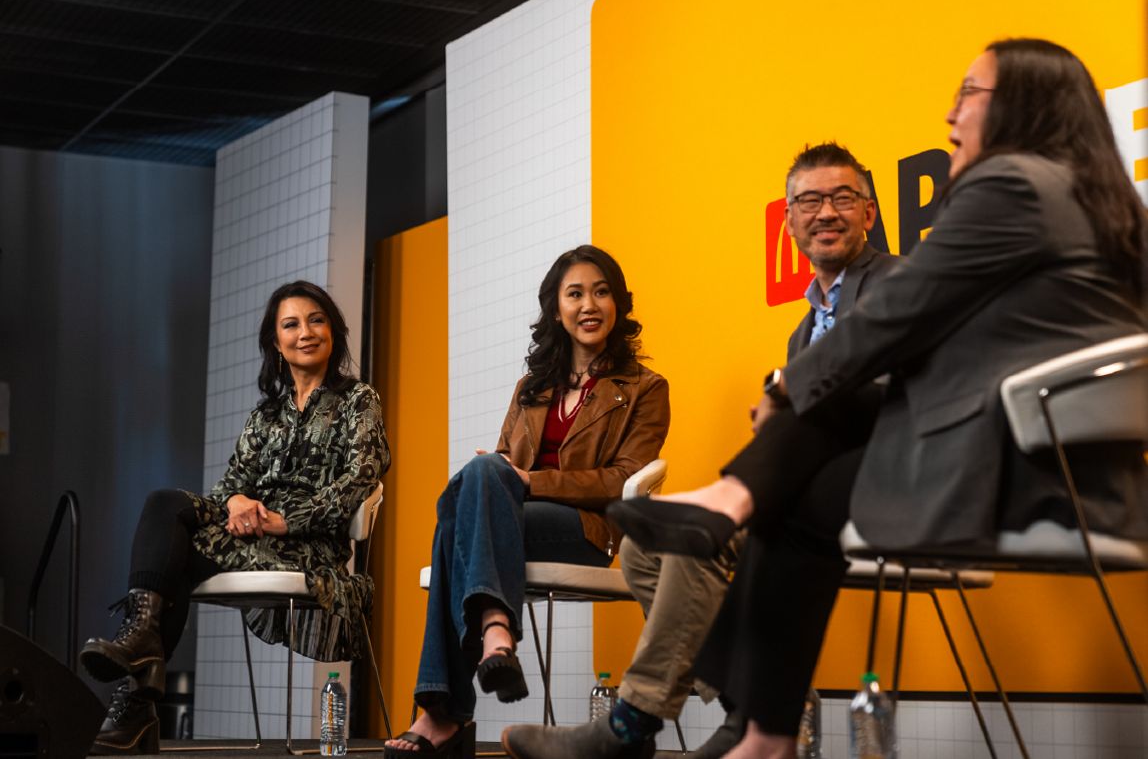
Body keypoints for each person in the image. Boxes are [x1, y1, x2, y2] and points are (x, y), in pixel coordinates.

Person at [609, 38, 1148, 759]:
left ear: (1021, 104)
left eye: (969, 92)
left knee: (809, 442)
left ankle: (737, 526)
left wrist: (782, 388)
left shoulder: (1013, 185)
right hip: (1071, 472)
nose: (951, 110)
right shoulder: (1083, 194)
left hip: (1024, 478)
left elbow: (898, 320)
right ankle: (764, 727)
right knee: (798, 491)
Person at [501, 143, 898, 759]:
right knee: (643, 550)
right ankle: (748, 712)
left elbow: (888, 391)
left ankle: (634, 725)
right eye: (808, 201)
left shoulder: (895, 285)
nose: (826, 212)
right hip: (810, 491)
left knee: (695, 532)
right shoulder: (804, 327)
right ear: (787, 221)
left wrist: (792, 402)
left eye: (842, 197)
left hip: (876, 483)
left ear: (868, 213)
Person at [79, 280, 390, 755]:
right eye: (291, 324)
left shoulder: (357, 401)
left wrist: (283, 520)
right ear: (275, 341)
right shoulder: (264, 417)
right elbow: (230, 487)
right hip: (251, 541)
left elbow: (357, 483)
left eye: (316, 320)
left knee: (177, 554)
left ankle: (137, 698)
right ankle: (141, 646)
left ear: (333, 331)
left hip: (309, 550)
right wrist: (236, 504)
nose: (305, 332)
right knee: (165, 504)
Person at [384, 245, 670, 758]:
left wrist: (529, 480)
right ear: (556, 309)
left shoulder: (644, 388)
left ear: (618, 305)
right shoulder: (530, 389)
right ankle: (489, 643)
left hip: (587, 530)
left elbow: (624, 477)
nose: (589, 305)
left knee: (458, 519)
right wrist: (500, 474)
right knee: (474, 486)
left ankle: (444, 707)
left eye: (601, 292)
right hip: (513, 525)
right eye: (575, 293)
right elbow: (499, 469)